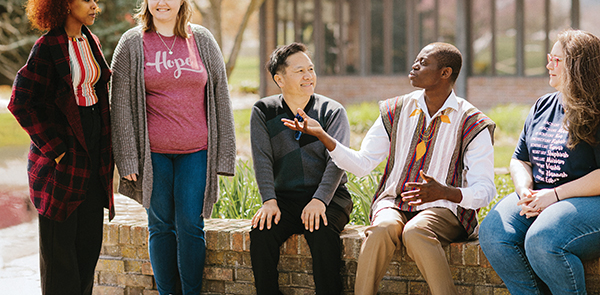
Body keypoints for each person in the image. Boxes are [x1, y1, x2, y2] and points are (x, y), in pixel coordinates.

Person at [283, 42, 496, 295]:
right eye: (416, 60)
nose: (415, 65)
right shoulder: (394, 110)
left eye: (424, 62)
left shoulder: (473, 122)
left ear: (445, 73)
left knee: (416, 231)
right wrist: (323, 136)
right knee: (381, 229)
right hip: (393, 203)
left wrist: (445, 193)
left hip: (446, 209)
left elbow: (486, 189)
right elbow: (363, 165)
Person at [110, 0, 236, 295]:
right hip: (153, 155)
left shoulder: (202, 40)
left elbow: (221, 95)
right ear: (147, 1)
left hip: (196, 150)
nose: (161, 2)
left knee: (192, 226)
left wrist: (224, 154)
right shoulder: (132, 43)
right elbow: (120, 104)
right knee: (160, 226)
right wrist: (127, 159)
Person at [8, 0, 114, 295]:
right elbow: (21, 102)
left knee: (88, 247)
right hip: (61, 157)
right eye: (87, 0)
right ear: (65, 4)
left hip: (93, 150)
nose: (94, 6)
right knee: (59, 255)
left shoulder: (91, 41)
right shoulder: (47, 46)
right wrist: (57, 149)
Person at [479, 29, 600, 294]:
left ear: (579, 66)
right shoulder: (543, 105)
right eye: (549, 57)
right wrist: (525, 190)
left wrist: (554, 196)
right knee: (493, 232)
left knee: (543, 239)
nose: (548, 65)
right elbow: (519, 160)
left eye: (557, 60)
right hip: (542, 193)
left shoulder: (597, 109)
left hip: (588, 199)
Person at [250, 42, 353, 295]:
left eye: (311, 69)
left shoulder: (332, 111)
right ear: (279, 79)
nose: (309, 76)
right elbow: (262, 159)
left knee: (320, 231)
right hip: (285, 199)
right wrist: (269, 201)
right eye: (300, 71)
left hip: (330, 198)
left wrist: (320, 200)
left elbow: (336, 161)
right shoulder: (264, 111)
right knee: (261, 233)